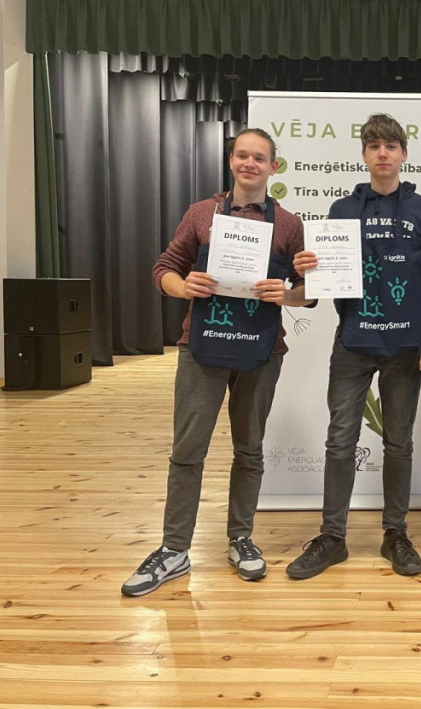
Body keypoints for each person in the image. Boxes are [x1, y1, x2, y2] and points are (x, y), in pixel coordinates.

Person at [122, 128, 314, 597]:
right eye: (242, 155)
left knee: (249, 450)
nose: (250, 163)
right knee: (187, 452)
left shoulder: (289, 225)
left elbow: (309, 295)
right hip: (201, 347)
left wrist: (287, 293)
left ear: (273, 167)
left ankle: (240, 539)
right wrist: (183, 286)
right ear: (231, 161)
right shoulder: (201, 213)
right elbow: (163, 270)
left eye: (260, 158)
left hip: (262, 352)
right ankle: (174, 549)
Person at [286, 113, 421, 579]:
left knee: (399, 443)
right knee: (340, 440)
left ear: (403, 154)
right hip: (353, 343)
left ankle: (395, 534)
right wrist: (308, 269)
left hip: (405, 347)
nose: (383, 153)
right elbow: (322, 282)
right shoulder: (341, 211)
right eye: (374, 146)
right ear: (363, 155)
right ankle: (332, 538)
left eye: (391, 146)